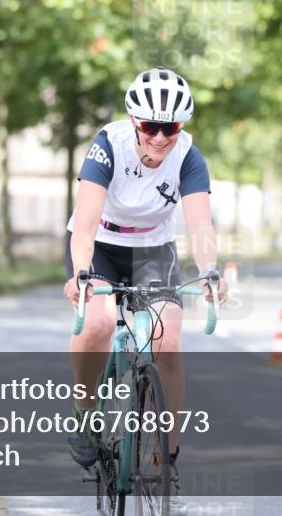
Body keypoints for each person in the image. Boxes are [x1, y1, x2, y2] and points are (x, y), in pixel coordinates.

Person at [62, 68, 228, 513]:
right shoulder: (107, 146)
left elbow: (199, 223)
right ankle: (84, 409)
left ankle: (167, 459)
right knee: (97, 319)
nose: (159, 137)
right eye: (150, 126)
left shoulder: (189, 156)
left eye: (169, 127)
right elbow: (86, 219)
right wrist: (81, 273)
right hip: (99, 243)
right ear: (134, 121)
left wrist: (210, 271)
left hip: (152, 248)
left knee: (168, 342)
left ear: (181, 126)